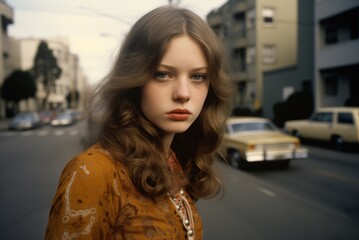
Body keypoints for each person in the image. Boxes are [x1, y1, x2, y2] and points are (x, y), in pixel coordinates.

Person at [45, 5, 233, 240]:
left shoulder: (174, 162)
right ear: (135, 79)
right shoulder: (93, 172)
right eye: (163, 74)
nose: (183, 93)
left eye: (198, 76)